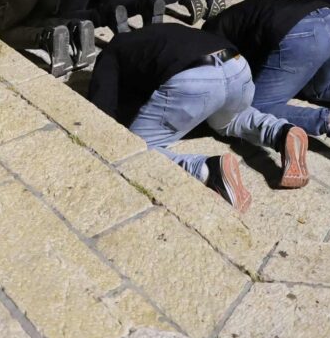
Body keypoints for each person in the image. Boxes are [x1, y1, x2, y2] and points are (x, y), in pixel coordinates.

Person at [86, 24, 291, 210]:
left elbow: (100, 113)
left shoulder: (112, 51)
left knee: (133, 150)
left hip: (195, 81)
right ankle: (279, 132)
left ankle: (206, 171)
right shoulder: (160, 35)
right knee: (228, 120)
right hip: (238, 67)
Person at [205, 0, 330, 175]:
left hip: (300, 36)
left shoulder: (212, 37)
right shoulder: (241, 14)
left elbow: (226, 76)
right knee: (314, 85)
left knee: (254, 108)